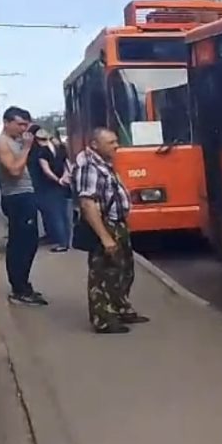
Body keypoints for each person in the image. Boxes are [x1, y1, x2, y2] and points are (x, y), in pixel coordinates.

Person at [72, 127, 148, 334]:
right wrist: (105, 238)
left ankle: (121, 308)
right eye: (111, 143)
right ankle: (103, 319)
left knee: (123, 270)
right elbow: (87, 204)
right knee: (103, 274)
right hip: (105, 225)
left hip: (117, 224)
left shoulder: (102, 163)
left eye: (116, 141)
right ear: (95, 145)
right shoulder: (89, 166)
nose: (116, 146)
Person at [0, 107, 46, 306]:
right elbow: (14, 170)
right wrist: (26, 148)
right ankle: (19, 289)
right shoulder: (2, 143)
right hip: (16, 196)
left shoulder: (15, 141)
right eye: (20, 124)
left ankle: (23, 285)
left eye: (26, 124)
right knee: (21, 244)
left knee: (29, 242)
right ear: (7, 123)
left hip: (24, 195)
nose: (24, 129)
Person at [31, 127, 70, 252]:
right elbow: (67, 166)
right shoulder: (60, 148)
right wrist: (64, 178)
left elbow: (46, 170)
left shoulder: (42, 152)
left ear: (37, 139)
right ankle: (68, 241)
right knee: (65, 215)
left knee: (55, 215)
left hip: (49, 186)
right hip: (64, 185)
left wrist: (57, 179)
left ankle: (62, 243)